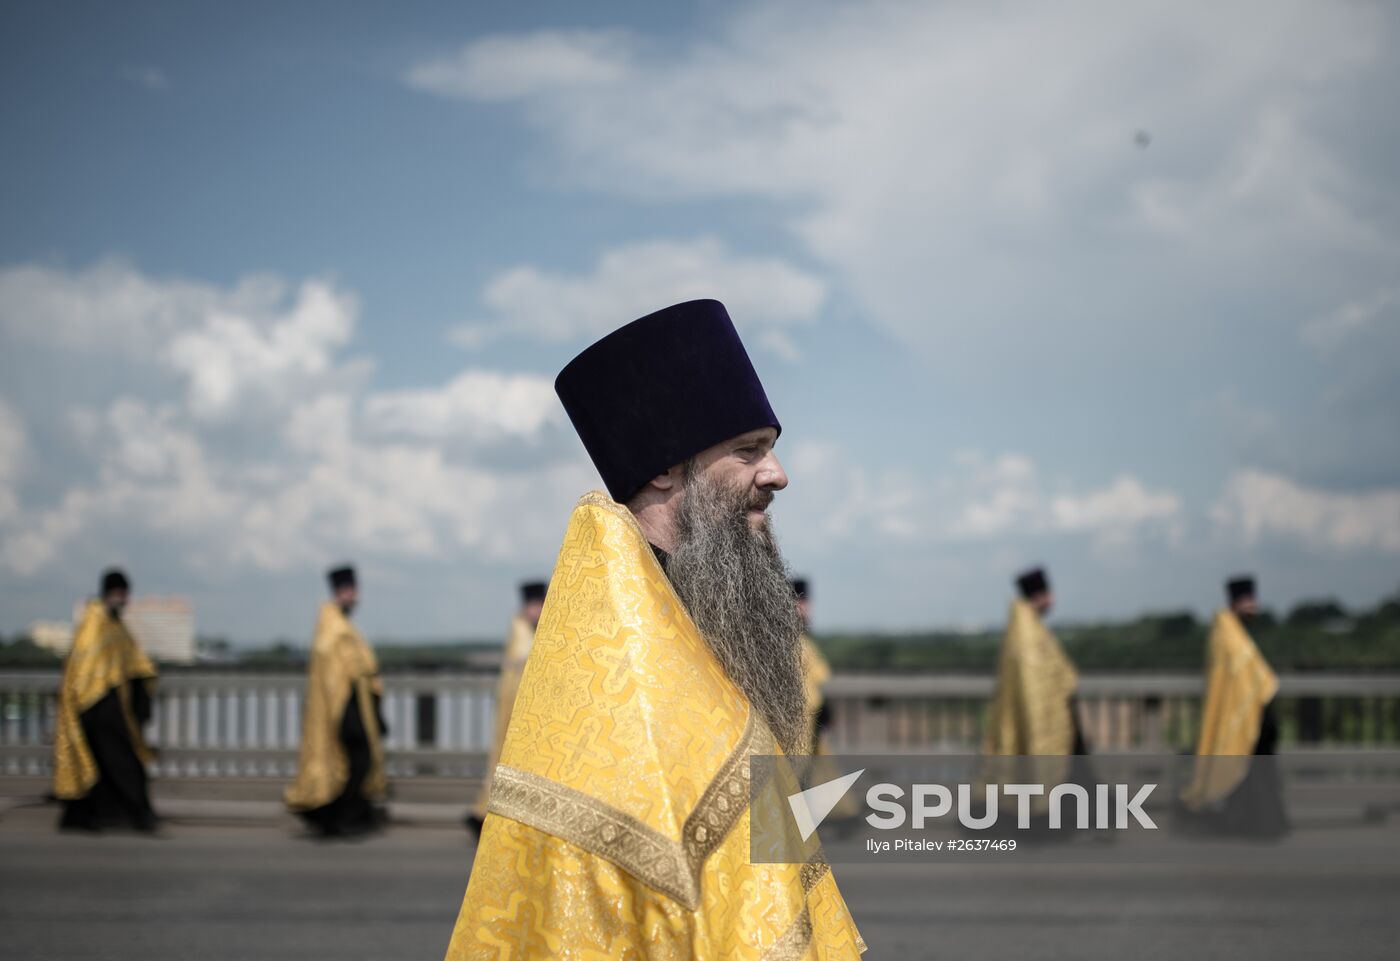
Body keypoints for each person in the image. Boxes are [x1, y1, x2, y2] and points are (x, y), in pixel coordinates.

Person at [443, 300, 864, 959]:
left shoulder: (705, 620)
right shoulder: (622, 678)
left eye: (772, 449)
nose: (778, 473)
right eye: (750, 450)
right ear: (666, 468)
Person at [980, 567, 1092, 835]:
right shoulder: (1027, 632)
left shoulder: (1026, 627)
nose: (1052, 600)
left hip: (1054, 715)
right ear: (1039, 596)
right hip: (1044, 718)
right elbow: (1038, 682)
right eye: (1048, 594)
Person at [1177, 575, 1289, 838]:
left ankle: (1249, 825)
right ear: (1235, 602)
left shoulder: (1233, 632)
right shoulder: (1227, 634)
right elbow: (1237, 680)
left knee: (1253, 778)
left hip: (1252, 719)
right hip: (1245, 720)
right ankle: (1256, 827)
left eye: (1253, 600)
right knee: (1251, 777)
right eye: (1248, 601)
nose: (1253, 607)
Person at [284, 564, 388, 838]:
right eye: (350, 590)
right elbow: (338, 682)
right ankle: (344, 817)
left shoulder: (339, 625)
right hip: (346, 712)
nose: (354, 596)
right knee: (356, 763)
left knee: (351, 764)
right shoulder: (334, 629)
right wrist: (348, 717)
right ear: (340, 592)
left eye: (354, 590)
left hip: (352, 710)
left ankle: (343, 816)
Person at [53, 568, 160, 833]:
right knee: (119, 763)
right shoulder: (95, 622)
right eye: (120, 593)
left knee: (102, 763)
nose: (123, 599)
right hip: (96, 707)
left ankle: (95, 816)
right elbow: (90, 669)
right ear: (110, 593)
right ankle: (138, 815)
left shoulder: (113, 624)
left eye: (125, 594)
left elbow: (134, 662)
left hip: (108, 706)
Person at [465, 580, 547, 837]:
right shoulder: (522, 632)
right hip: (515, 710)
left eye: (539, 604)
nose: (536, 610)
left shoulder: (530, 629)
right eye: (533, 605)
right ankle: (486, 815)